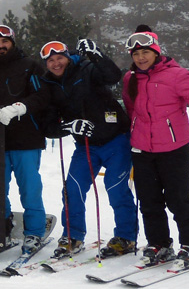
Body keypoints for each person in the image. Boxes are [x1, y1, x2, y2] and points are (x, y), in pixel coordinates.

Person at [122, 28, 189, 265]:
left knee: (179, 200)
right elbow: (131, 110)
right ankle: (159, 244)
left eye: (145, 52)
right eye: (136, 53)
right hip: (142, 150)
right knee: (149, 201)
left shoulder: (177, 75)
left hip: (173, 149)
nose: (140, 58)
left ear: (156, 52)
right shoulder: (130, 79)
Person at [38, 39, 138, 258]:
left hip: (116, 139)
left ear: (68, 56)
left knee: (115, 187)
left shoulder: (86, 67)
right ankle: (73, 236)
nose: (56, 64)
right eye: (51, 60)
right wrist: (68, 126)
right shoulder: (49, 84)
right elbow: (48, 125)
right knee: (72, 188)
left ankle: (126, 237)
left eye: (60, 58)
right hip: (86, 146)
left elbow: (112, 76)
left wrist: (97, 54)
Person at [0, 24, 51, 253]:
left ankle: (34, 232)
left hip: (27, 138)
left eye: (4, 41)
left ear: (13, 42)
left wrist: (21, 107)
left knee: (30, 188)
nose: (0, 46)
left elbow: (43, 96)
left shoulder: (30, 66)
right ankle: (1, 225)